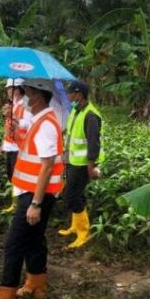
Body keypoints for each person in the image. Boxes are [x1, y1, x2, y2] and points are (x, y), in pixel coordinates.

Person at [0, 79, 64, 299]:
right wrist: (11, 124)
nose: (23, 96)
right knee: (34, 239)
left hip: (36, 196)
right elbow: (22, 144)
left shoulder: (47, 124)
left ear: (37, 96)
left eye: (26, 92)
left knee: (14, 245)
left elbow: (47, 166)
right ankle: (37, 285)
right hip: (31, 191)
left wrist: (35, 204)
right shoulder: (38, 120)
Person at [58, 80, 104, 249]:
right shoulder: (77, 110)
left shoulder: (91, 115)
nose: (67, 95)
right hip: (72, 161)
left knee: (71, 196)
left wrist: (91, 166)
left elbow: (94, 143)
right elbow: (71, 135)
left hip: (83, 164)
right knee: (76, 194)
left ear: (78, 94)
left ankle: (84, 233)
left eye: (69, 92)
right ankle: (75, 226)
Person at [0, 78, 27, 213]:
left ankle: (19, 205)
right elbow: (8, 127)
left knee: (17, 177)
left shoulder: (25, 105)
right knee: (11, 176)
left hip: (19, 147)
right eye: (8, 89)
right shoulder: (13, 104)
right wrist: (3, 144)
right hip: (10, 146)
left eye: (10, 88)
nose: (8, 91)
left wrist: (12, 117)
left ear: (18, 89)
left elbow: (24, 126)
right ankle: (15, 204)